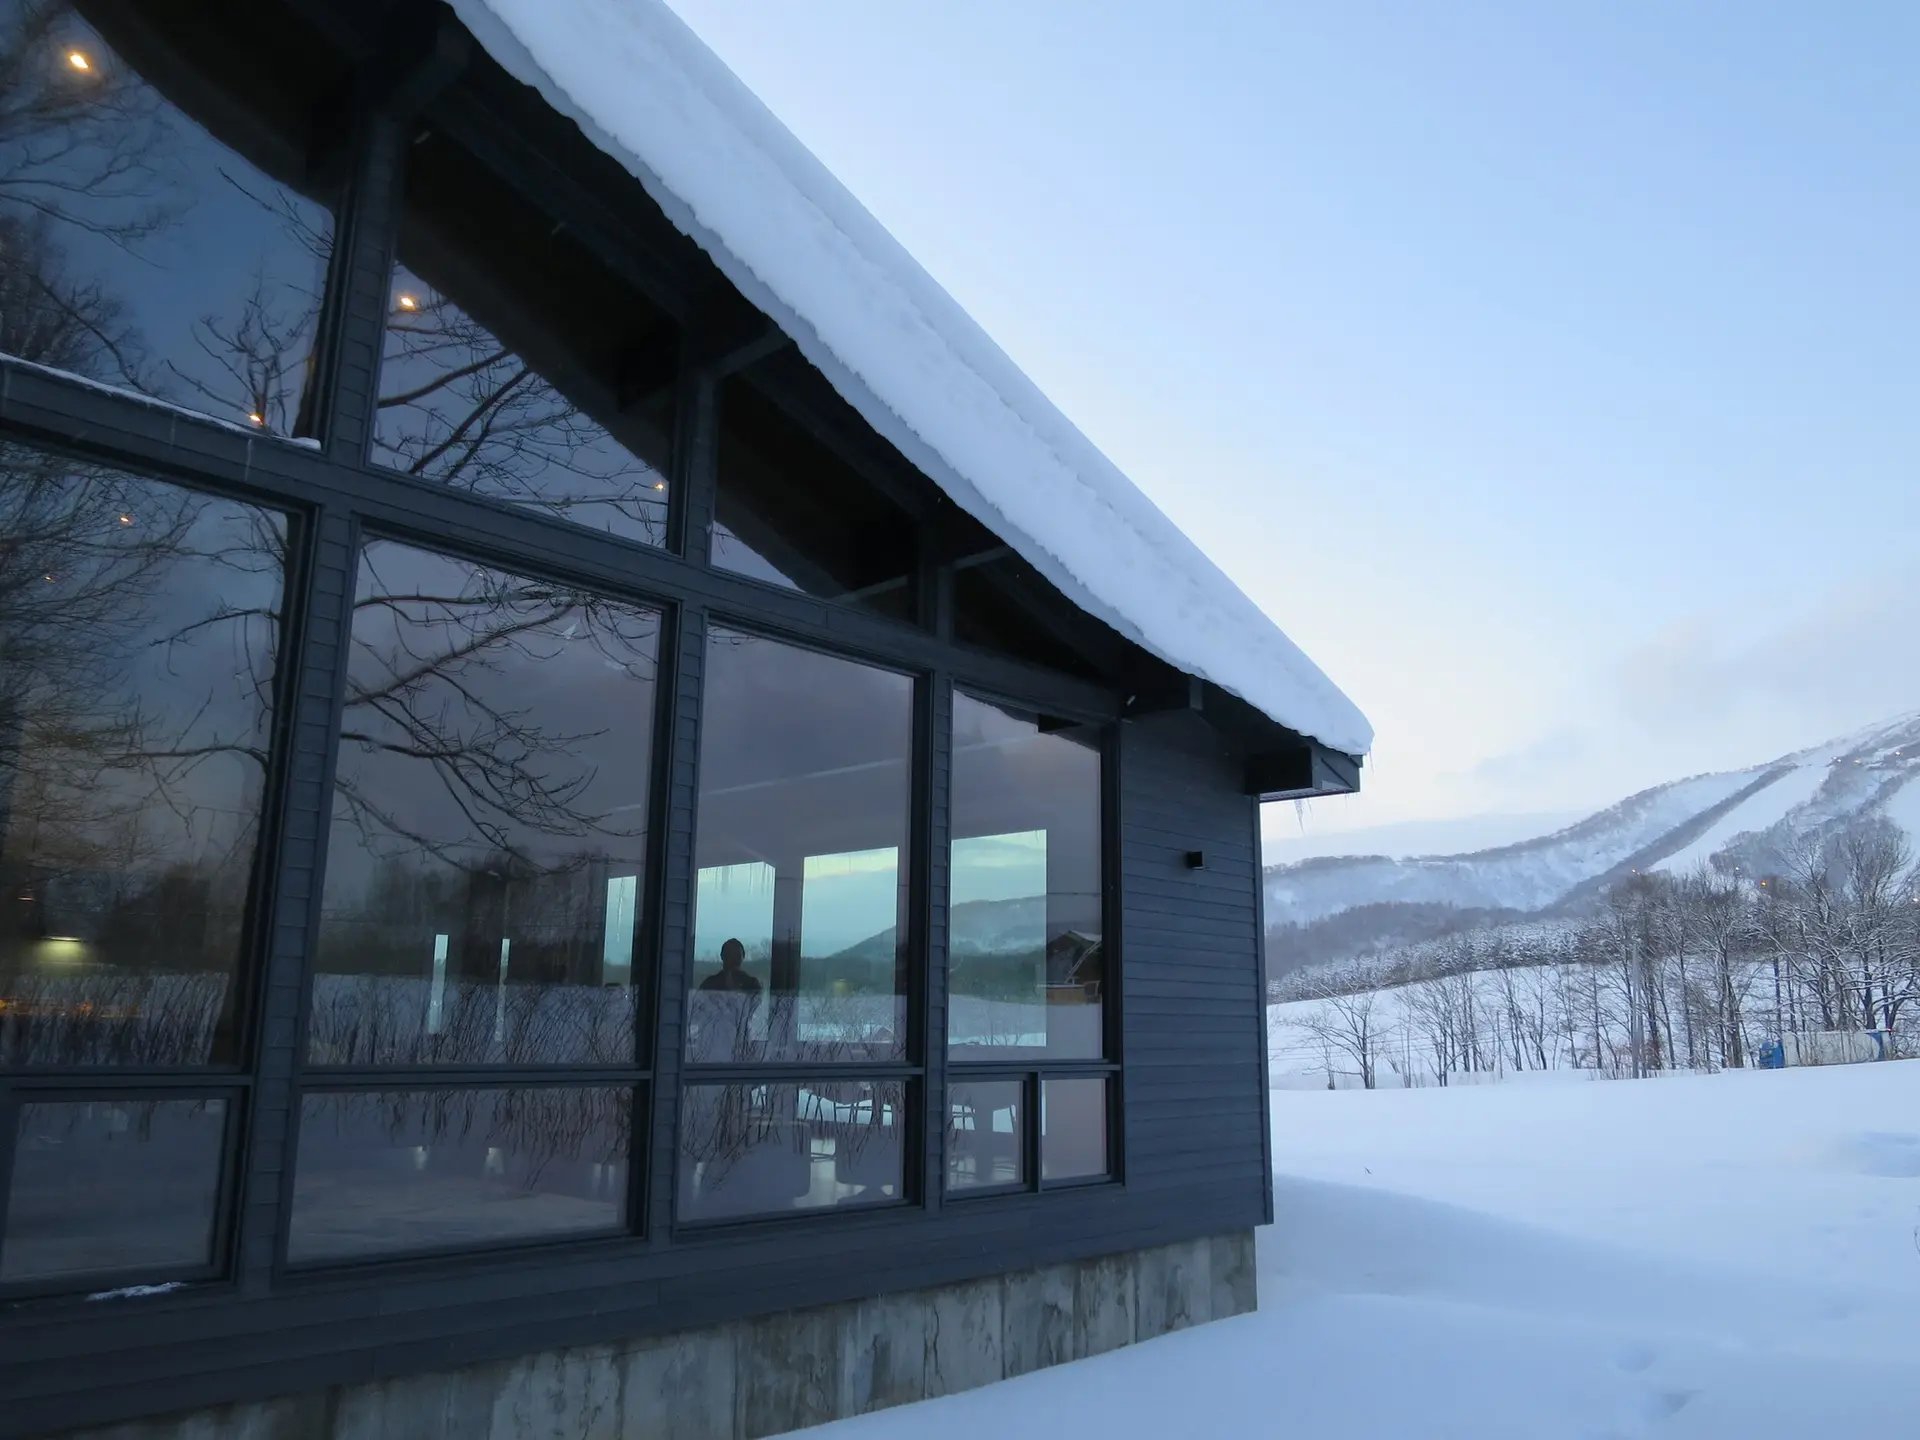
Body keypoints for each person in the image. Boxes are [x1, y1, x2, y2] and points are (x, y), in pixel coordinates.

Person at [691, 937, 761, 1062]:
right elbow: (697, 1012)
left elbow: (750, 1011)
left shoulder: (751, 984)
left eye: (736, 955)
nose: (733, 959)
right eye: (730, 955)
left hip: (739, 1043)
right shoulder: (710, 984)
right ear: (723, 956)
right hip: (714, 1044)